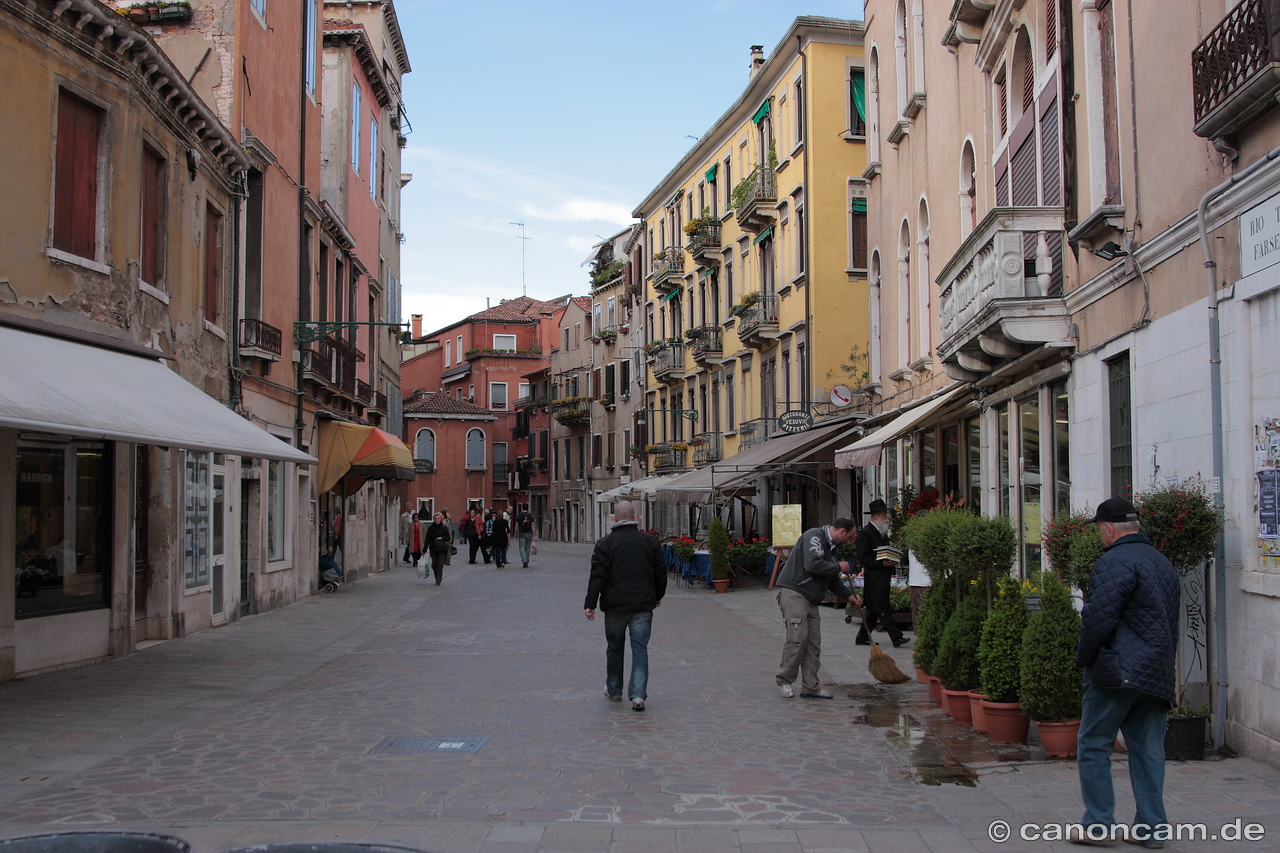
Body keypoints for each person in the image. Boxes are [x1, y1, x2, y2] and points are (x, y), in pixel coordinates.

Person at [1073, 497, 1180, 848]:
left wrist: (1085, 659)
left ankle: (1098, 825)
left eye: (1101, 529)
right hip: (1155, 672)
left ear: (1109, 528)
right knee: (1148, 750)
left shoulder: (1114, 560)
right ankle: (1152, 829)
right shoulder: (1162, 562)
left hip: (1116, 670)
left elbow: (1097, 619)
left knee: (1093, 744)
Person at [583, 501, 666, 712]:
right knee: (640, 649)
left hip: (614, 604)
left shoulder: (605, 543)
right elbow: (660, 573)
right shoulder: (650, 541)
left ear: (615, 519)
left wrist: (590, 603)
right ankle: (638, 695)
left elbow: (597, 576)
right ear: (635, 517)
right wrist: (657, 595)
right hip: (642, 603)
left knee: (614, 648)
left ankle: (614, 688)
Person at [774, 517, 858, 699]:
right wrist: (838, 566)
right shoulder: (814, 536)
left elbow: (832, 580)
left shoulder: (832, 549)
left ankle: (811, 686)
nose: (850, 541)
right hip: (795, 592)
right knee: (798, 638)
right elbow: (813, 565)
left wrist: (849, 596)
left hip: (812, 598)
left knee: (813, 642)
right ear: (842, 532)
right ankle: (785, 680)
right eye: (850, 537)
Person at [854, 499, 909, 648]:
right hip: (874, 577)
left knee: (874, 609)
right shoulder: (866, 533)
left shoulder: (882, 533)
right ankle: (896, 637)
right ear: (876, 515)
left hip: (883, 575)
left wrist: (892, 559)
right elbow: (862, 557)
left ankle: (862, 637)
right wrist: (880, 563)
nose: (887, 518)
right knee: (882, 607)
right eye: (885, 514)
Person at [424, 511, 452, 585]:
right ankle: (437, 575)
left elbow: (448, 538)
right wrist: (424, 549)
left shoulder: (444, 528)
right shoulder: (431, 528)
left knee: (440, 564)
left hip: (442, 548)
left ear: (441, 519)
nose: (437, 520)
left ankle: (438, 579)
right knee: (434, 564)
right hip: (433, 548)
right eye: (435, 518)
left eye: (438, 518)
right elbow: (427, 539)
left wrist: (442, 538)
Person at [411, 509, 430, 575]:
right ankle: (415, 561)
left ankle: (418, 561)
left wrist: (425, 539)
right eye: (415, 517)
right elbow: (409, 532)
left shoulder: (421, 524)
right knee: (414, 550)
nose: (416, 518)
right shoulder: (411, 525)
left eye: (417, 517)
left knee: (419, 550)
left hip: (420, 539)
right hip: (413, 539)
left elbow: (424, 532)